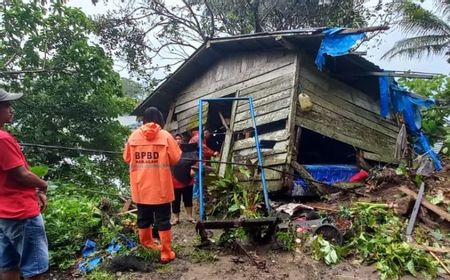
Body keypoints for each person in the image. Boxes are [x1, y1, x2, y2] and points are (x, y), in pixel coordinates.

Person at [0, 89, 49, 280]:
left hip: (3, 214)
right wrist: (42, 185)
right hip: (20, 213)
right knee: (35, 269)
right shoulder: (3, 139)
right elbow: (21, 175)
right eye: (7, 105)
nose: (12, 110)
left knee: (8, 266)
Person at [123, 107, 181, 263]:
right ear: (160, 119)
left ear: (144, 119)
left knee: (143, 219)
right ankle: (166, 253)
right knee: (163, 220)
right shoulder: (165, 136)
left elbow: (127, 158)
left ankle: (147, 245)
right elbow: (176, 158)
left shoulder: (133, 137)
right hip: (161, 188)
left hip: (141, 187)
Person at [171, 134, 196, 225]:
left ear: (182, 140)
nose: (178, 140)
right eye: (176, 139)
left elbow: (195, 160)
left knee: (188, 199)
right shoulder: (170, 150)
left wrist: (193, 168)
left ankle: (190, 217)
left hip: (188, 180)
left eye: (179, 139)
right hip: (175, 179)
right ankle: (176, 218)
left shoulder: (188, 149)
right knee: (176, 200)